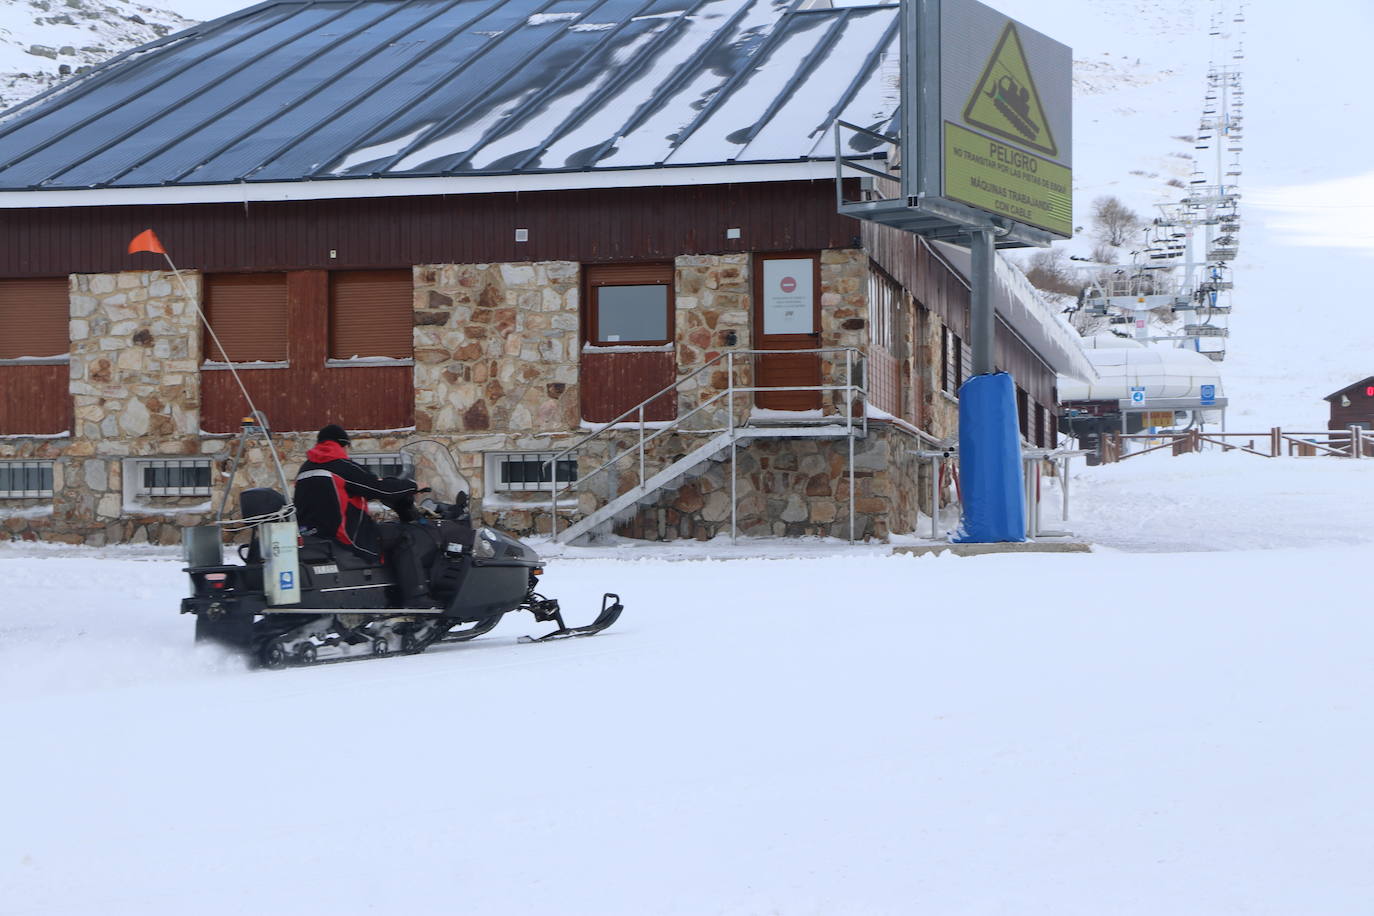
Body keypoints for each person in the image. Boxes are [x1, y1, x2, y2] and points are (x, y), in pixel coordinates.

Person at [294, 424, 428, 605]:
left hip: (313, 536)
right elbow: (378, 488)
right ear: (343, 444)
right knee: (405, 536)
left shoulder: (305, 468)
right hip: (344, 536)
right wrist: (413, 486)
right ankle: (417, 599)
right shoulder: (340, 465)